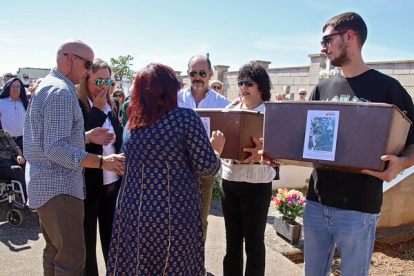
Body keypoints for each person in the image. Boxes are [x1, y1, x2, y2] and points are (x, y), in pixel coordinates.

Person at [303, 12, 414, 276]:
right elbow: (303, 138)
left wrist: (402, 163)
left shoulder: (388, 88)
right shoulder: (321, 89)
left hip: (358, 209)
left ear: (350, 37)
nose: (323, 47)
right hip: (316, 203)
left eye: (328, 39)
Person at [106, 63, 225, 275]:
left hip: (133, 209)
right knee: (174, 266)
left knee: (138, 266)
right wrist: (216, 150)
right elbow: (206, 168)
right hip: (173, 213)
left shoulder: (133, 123)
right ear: (170, 88)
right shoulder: (186, 119)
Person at [23, 39, 125, 275]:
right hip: (61, 188)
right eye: (88, 65)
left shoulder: (53, 88)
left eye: (107, 81)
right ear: (71, 59)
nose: (89, 72)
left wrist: (87, 136)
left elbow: (59, 139)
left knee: (56, 256)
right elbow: (57, 149)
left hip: (54, 188)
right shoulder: (61, 92)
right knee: (72, 260)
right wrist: (102, 162)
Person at [221, 63, 275, 276]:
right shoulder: (230, 110)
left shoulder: (272, 114)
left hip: (257, 185)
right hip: (230, 182)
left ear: (260, 87)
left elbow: (282, 154)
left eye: (248, 83)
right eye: (241, 82)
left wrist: (263, 153)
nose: (243, 87)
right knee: (232, 242)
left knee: (254, 243)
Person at [77, 58, 123, 275]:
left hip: (111, 185)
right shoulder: (77, 105)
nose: (103, 86)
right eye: (98, 81)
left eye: (108, 80)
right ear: (86, 79)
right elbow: (77, 141)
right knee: (87, 242)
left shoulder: (112, 106)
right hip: (87, 185)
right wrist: (96, 110)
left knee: (112, 240)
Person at [178, 55, 229, 241]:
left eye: (202, 73)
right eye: (193, 73)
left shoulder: (222, 103)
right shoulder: (176, 100)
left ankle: (197, 264)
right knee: (176, 218)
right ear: (188, 74)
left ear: (210, 74)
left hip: (206, 170)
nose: (197, 77)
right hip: (177, 169)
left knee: (200, 219)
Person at [0, 122, 27, 204]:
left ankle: (26, 199)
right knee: (16, 170)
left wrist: (19, 155)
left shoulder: (4, 134)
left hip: (9, 163)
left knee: (22, 168)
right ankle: (26, 201)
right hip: (2, 167)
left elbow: (16, 148)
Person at [0, 77, 29, 151]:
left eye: (18, 86)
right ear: (8, 88)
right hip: (5, 142)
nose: (15, 89)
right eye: (12, 86)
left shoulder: (26, 104)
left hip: (23, 141)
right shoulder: (1, 102)